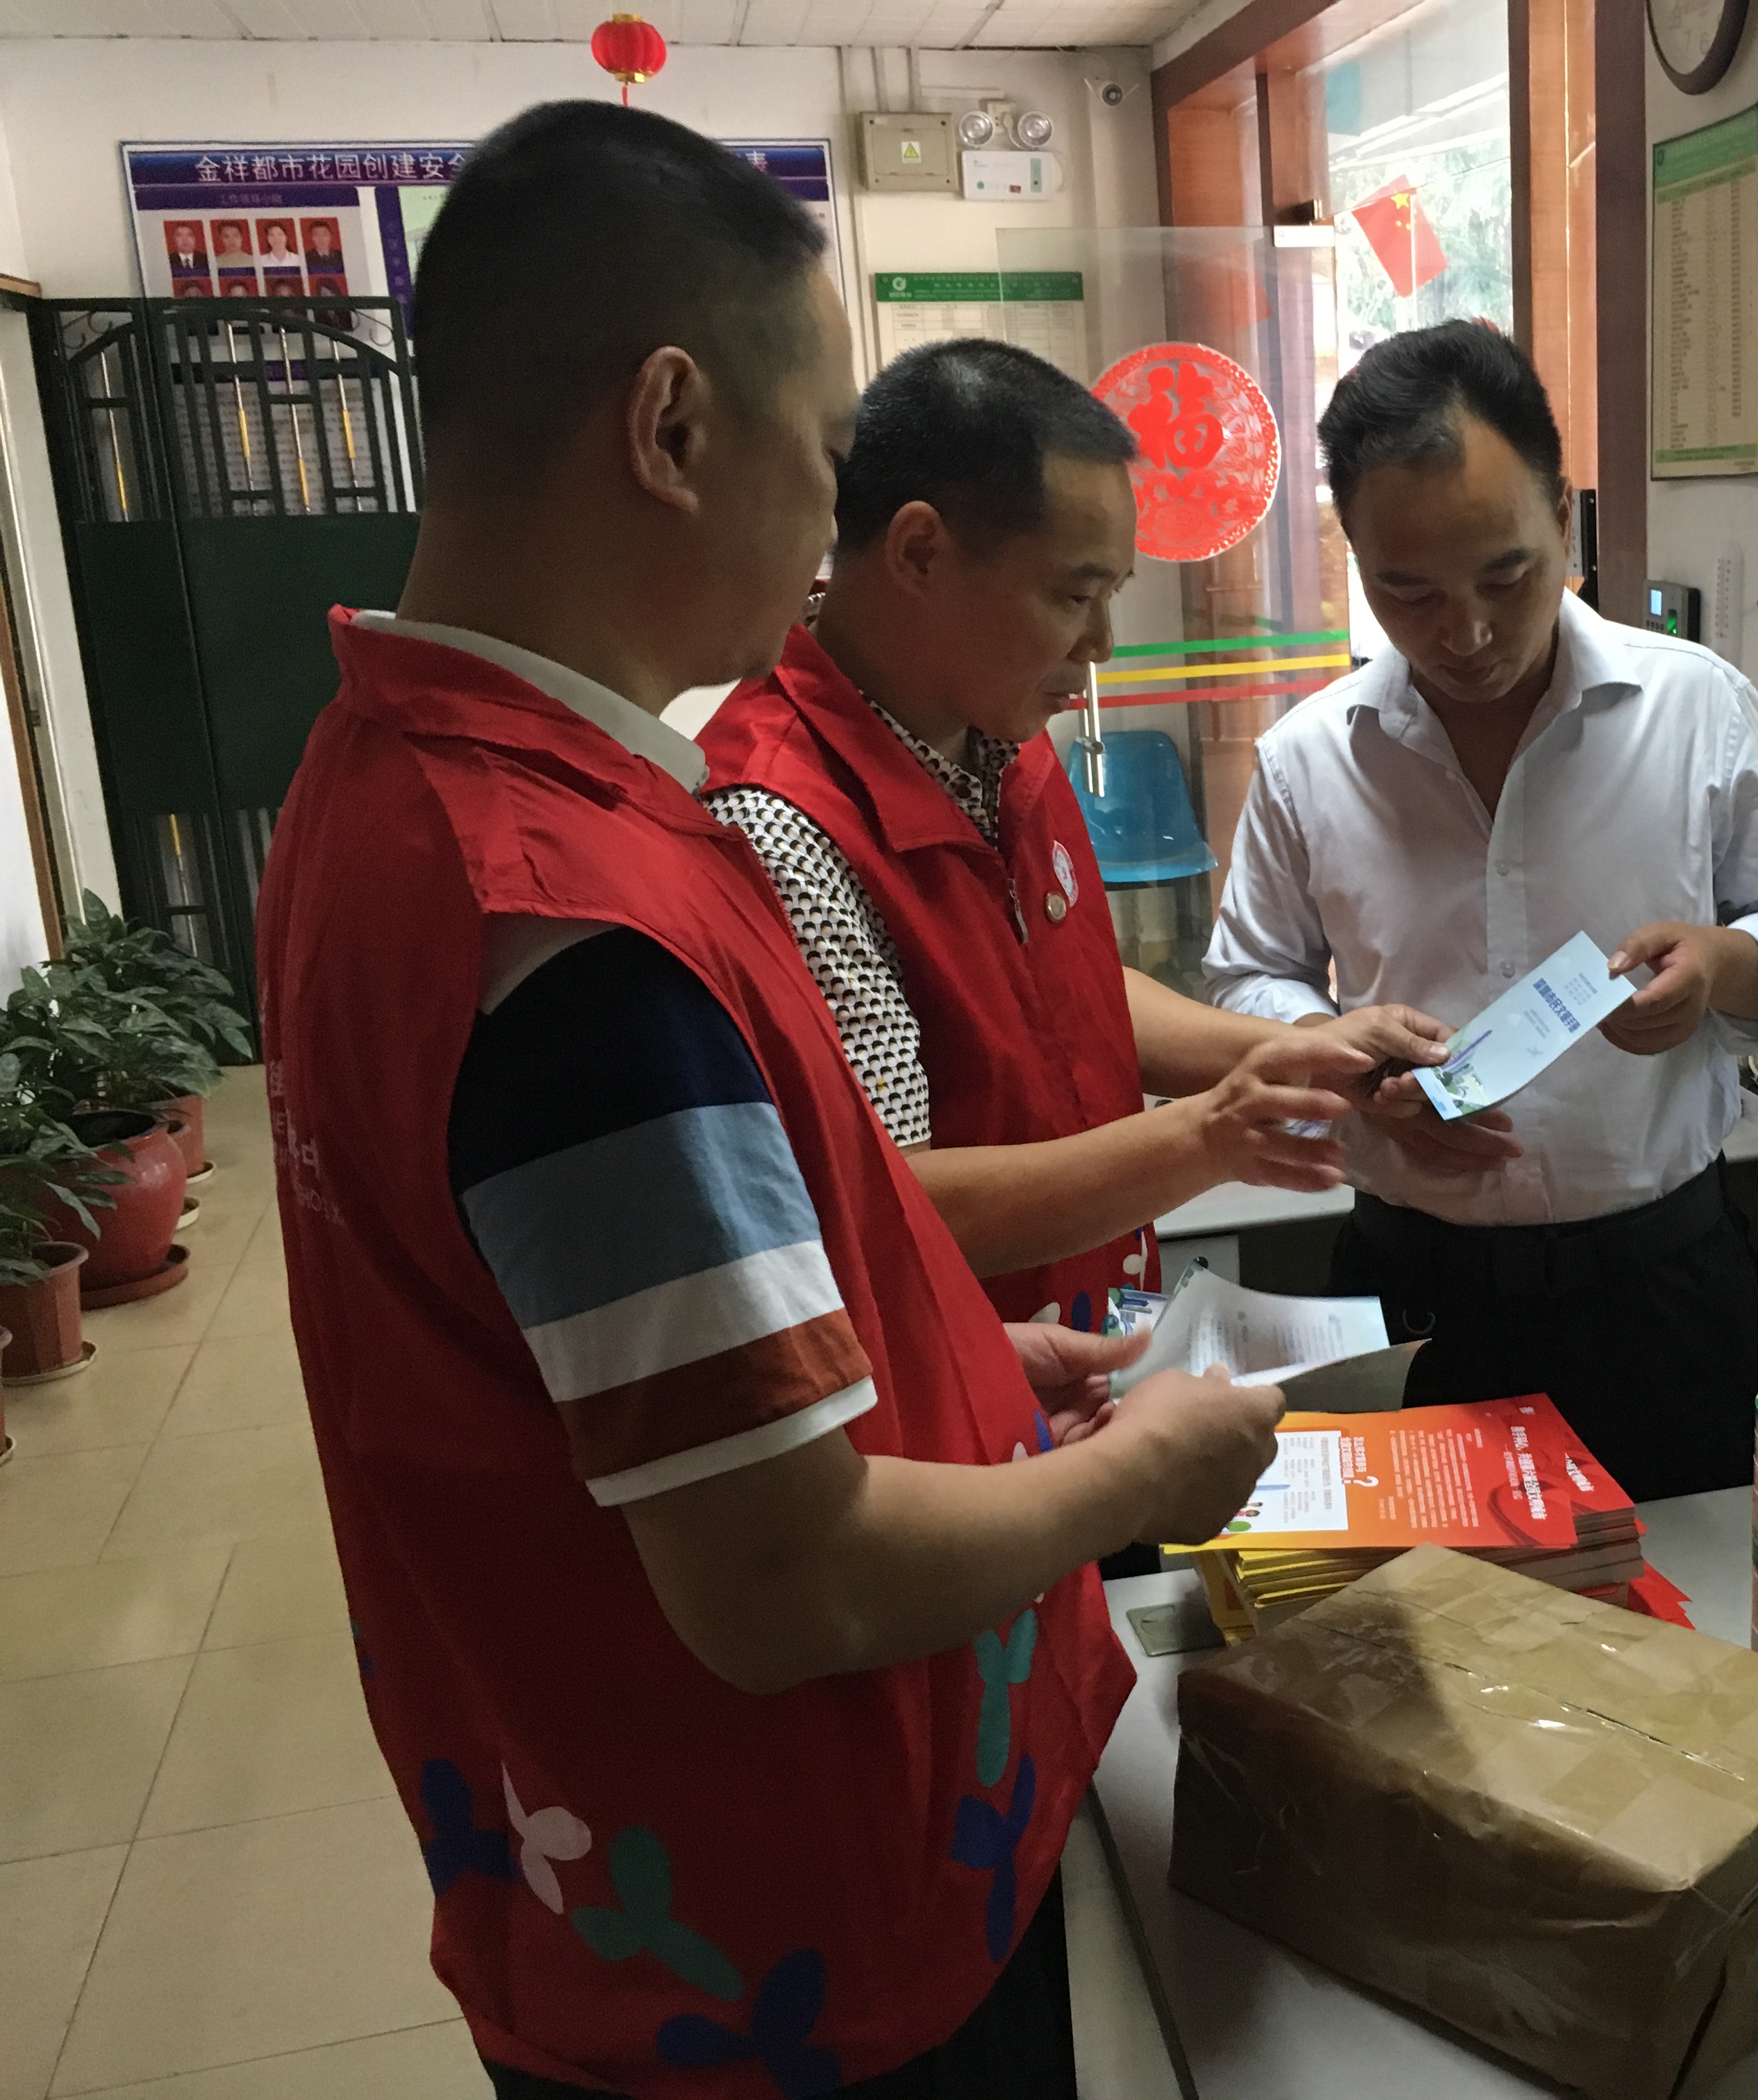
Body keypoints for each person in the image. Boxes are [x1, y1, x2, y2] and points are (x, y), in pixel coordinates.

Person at [256, 101, 1286, 2100]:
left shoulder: (385, 782)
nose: (828, 535)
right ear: (670, 428)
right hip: (789, 1947)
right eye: (819, 459)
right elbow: (783, 1577)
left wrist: (960, 1374)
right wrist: (1142, 1476)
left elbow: (633, 1353)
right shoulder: (573, 932)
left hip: (632, 1869)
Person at [1204, 321, 1758, 1503]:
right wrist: (1349, 1064)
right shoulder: (1311, 759)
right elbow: (1249, 978)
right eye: (1408, 593)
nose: (1465, 634)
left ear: (1564, 517)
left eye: (1506, 578)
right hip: (1413, 1301)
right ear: (1356, 554)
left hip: (1656, 1299)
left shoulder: (1696, 710)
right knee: (1410, 1612)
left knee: (1687, 1610)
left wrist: (1725, 963)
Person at [699, 338, 1451, 1333]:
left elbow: (1069, 997)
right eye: (1072, 596)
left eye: (1111, 597)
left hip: (1085, 1333)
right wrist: (1206, 1139)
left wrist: (1305, 1050)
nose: (1100, 646)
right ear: (919, 551)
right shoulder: (782, 821)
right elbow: (889, 1200)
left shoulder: (996, 733)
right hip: (962, 1369)